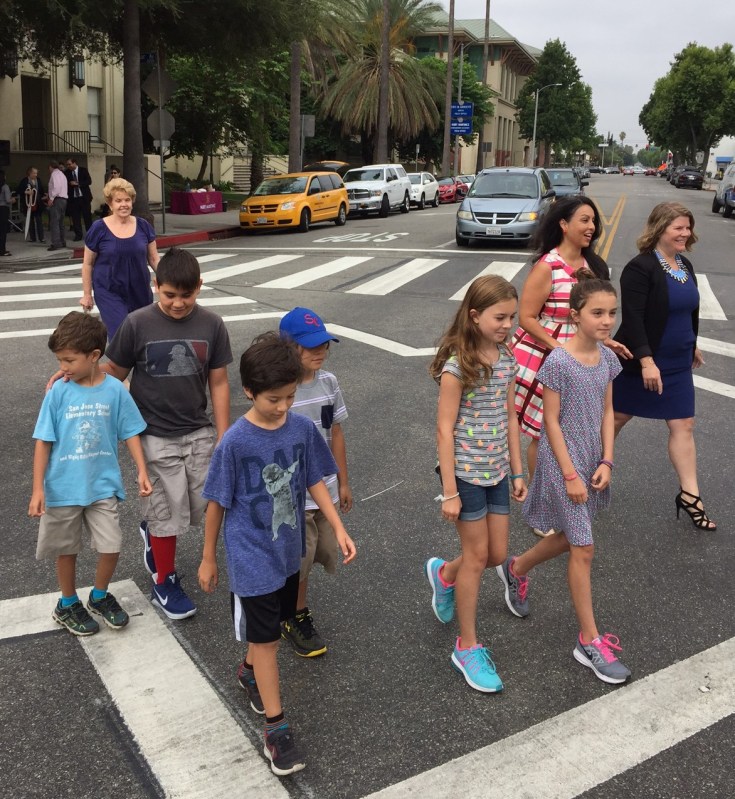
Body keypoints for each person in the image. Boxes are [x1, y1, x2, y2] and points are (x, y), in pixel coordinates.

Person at [198, 332, 356, 777]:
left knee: (268, 629)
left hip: (288, 551)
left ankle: (248, 671)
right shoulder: (235, 442)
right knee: (267, 640)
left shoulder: (301, 429)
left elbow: (313, 480)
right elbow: (216, 502)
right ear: (249, 391)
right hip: (250, 557)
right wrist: (208, 557)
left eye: (290, 396)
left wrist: (338, 527)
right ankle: (276, 727)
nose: (284, 406)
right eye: (274, 399)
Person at [502, 277, 631, 685]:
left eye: (612, 313)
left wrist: (608, 459)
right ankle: (589, 641)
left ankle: (516, 568)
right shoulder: (558, 361)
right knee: (584, 547)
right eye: (597, 313)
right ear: (575, 315)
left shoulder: (607, 359)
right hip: (563, 465)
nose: (606, 320)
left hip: (593, 460)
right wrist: (570, 474)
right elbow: (550, 422)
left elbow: (608, 412)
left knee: (569, 537)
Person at [101, 248, 232, 618]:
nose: (178, 303)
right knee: (166, 512)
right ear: (155, 285)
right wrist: (76, 374)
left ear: (199, 287)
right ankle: (164, 580)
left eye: (186, 295)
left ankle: (151, 532)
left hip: (198, 428)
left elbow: (219, 382)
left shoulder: (212, 324)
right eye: (170, 294)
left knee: (204, 503)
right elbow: (113, 371)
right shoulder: (137, 323)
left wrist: (224, 433)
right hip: (153, 433)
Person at [424, 275, 527, 693]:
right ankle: (466, 647)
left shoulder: (507, 359)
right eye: (499, 317)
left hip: (498, 470)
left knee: (496, 554)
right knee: (477, 555)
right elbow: (444, 430)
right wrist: (449, 491)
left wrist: (517, 471)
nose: (508, 325)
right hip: (465, 474)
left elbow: (511, 417)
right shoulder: (458, 367)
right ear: (474, 316)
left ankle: (444, 574)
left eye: (511, 317)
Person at [510, 196, 631, 537]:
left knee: (571, 428)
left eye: (593, 221)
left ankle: (567, 492)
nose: (591, 227)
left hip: (583, 355)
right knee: (542, 433)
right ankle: (544, 503)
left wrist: (606, 342)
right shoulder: (547, 265)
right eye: (584, 220)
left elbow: (594, 314)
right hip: (547, 357)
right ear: (563, 225)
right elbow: (526, 317)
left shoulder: (594, 266)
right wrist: (560, 349)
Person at [28, 312, 152, 636]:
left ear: (94, 355)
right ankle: (67, 602)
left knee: (111, 545)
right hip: (62, 488)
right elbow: (43, 440)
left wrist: (141, 469)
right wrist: (38, 489)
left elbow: (130, 431)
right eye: (60, 360)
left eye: (69, 360)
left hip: (102, 485)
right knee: (66, 549)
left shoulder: (115, 390)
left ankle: (99, 595)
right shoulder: (58, 392)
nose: (63, 367)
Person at [612, 202, 716, 530]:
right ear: (659, 229)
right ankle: (585, 472)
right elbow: (634, 318)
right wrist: (646, 361)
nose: (685, 233)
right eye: (678, 228)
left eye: (688, 227)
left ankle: (690, 495)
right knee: (615, 418)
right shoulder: (640, 268)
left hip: (678, 362)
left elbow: (687, 310)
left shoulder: (684, 265)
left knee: (684, 424)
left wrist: (692, 342)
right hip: (643, 361)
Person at [277, 306, 352, 657]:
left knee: (314, 555)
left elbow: (335, 433)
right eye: (310, 346)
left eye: (324, 344)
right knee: (298, 558)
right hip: (291, 494)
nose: (320, 351)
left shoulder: (329, 383)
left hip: (324, 489)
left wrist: (343, 481)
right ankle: (293, 615)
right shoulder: (282, 391)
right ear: (289, 348)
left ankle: (293, 608)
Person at [80, 178, 159, 339]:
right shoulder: (98, 228)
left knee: (141, 334)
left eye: (127, 200)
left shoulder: (143, 226)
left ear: (132, 202)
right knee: (120, 334)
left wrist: (170, 280)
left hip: (140, 290)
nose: (124, 204)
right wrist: (87, 294)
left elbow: (153, 258)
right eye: (118, 201)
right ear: (110, 204)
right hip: (109, 290)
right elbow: (88, 264)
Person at [65, 155, 93, 241]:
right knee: (75, 218)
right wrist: (70, 183)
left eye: (69, 164)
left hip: (84, 197)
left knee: (87, 217)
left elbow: (89, 181)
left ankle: (90, 235)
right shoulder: (67, 173)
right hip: (74, 198)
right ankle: (78, 235)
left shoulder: (83, 170)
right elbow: (65, 184)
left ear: (74, 163)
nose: (68, 166)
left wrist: (78, 184)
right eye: (67, 165)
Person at [16, 166, 46, 243]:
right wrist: (26, 192)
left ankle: (41, 238)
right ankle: (33, 238)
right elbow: (18, 190)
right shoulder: (25, 181)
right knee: (30, 220)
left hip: (37, 203)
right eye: (34, 173)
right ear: (29, 173)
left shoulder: (38, 180)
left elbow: (41, 191)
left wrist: (44, 196)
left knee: (39, 220)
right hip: (28, 204)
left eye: (36, 173)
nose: (36, 175)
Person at [46, 160, 68, 251]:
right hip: (63, 199)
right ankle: (62, 241)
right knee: (60, 222)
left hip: (57, 199)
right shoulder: (62, 174)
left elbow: (56, 187)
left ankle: (56, 243)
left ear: (51, 167)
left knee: (54, 222)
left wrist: (51, 198)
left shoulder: (54, 174)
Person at [0, 170, 12, 256]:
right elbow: (8, 200)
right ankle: (2, 250)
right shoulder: (5, 187)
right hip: (3, 209)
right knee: (3, 231)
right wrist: (13, 200)